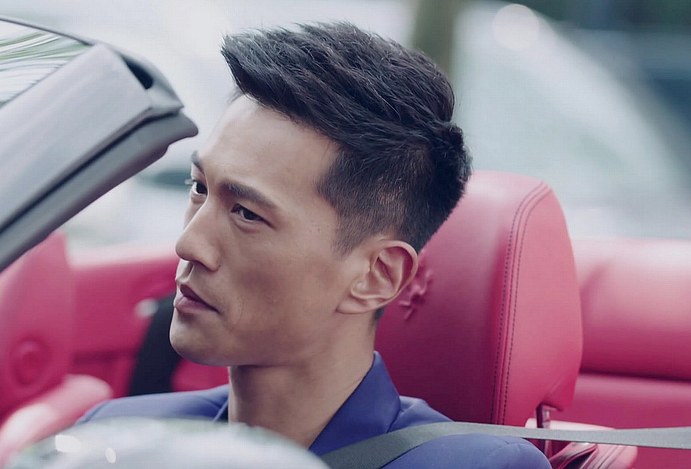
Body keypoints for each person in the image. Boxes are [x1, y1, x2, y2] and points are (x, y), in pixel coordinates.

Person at [80, 22, 551, 468]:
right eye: (199, 187)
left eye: (247, 214)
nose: (189, 243)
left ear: (375, 276)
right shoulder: (116, 441)